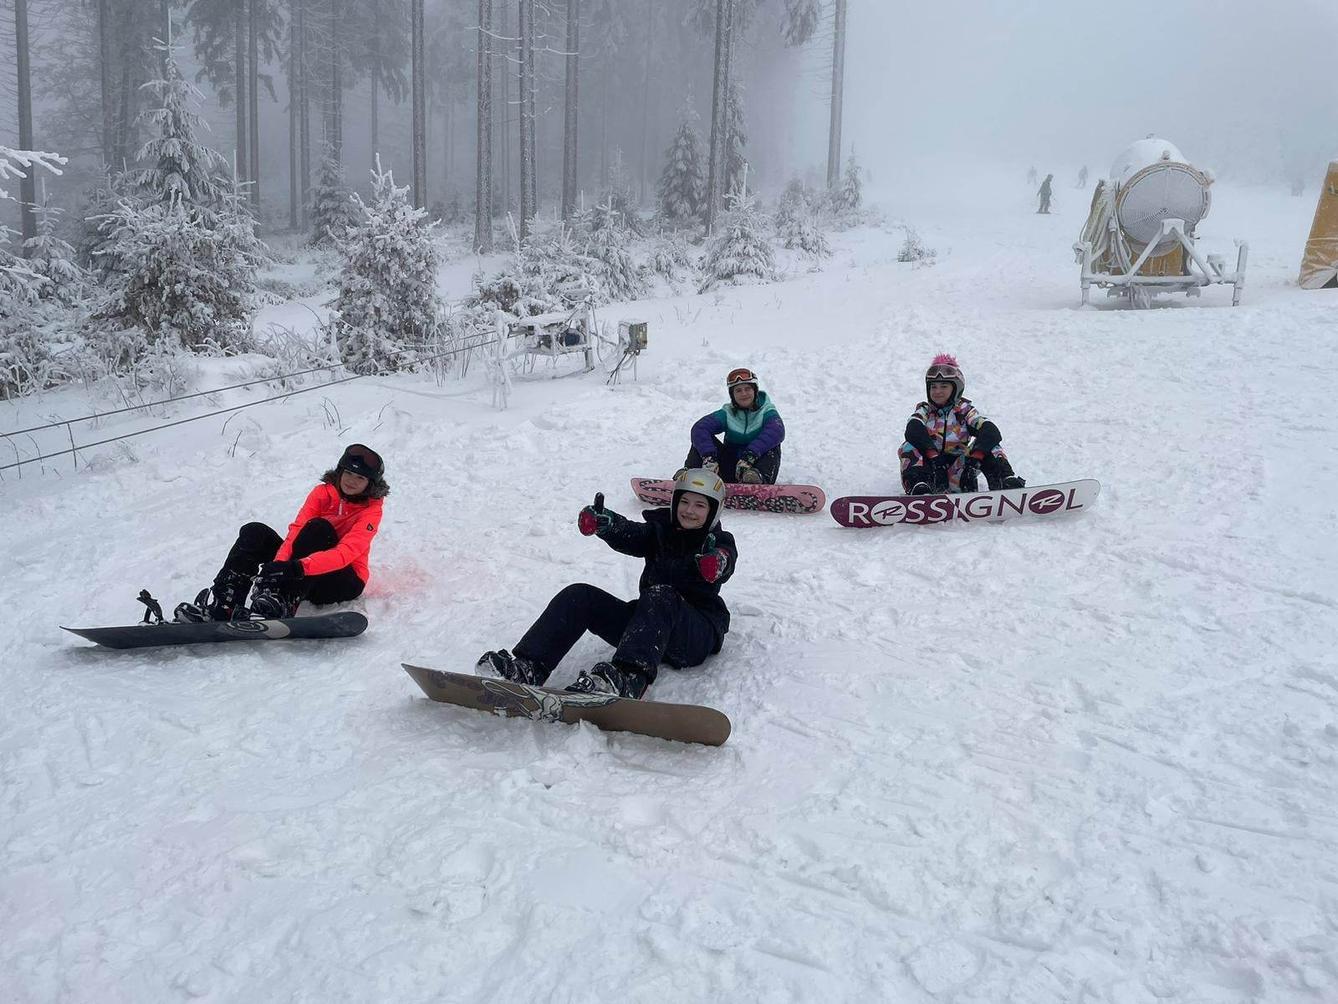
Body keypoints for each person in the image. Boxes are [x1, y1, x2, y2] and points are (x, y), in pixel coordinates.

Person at [477, 469, 739, 700]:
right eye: (684, 501)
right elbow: (633, 534)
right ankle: (528, 668)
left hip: (693, 635)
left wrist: (716, 562)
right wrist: (607, 523)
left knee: (661, 595)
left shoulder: (717, 541)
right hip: (648, 628)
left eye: (700, 505)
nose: (689, 510)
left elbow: (726, 559)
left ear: (713, 511)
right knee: (579, 595)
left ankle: (627, 678)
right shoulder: (660, 531)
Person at [175, 443, 390, 622]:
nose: (351, 481)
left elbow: (346, 553)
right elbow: (296, 531)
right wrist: (278, 566)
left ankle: (285, 601)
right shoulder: (322, 493)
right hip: (301, 572)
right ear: (340, 472)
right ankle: (225, 604)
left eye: (360, 478)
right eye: (348, 473)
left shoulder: (371, 510)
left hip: (342, 580)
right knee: (255, 531)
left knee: (319, 528)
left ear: (370, 484)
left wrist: (296, 568)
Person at [897, 354, 1026, 495]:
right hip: (931, 474)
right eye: (933, 387)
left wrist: (974, 460)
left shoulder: (965, 411)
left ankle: (1005, 484)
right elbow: (913, 428)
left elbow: (990, 430)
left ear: (955, 389)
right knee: (908, 446)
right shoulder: (925, 410)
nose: (937, 391)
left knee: (992, 445)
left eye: (944, 386)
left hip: (958, 474)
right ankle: (919, 489)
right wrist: (933, 457)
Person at [676, 367, 785, 484]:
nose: (743, 394)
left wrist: (750, 456)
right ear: (732, 395)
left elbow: (776, 430)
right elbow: (700, 428)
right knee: (701, 440)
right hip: (730, 468)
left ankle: (756, 480)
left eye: (747, 389)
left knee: (772, 444)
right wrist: (709, 457)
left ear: (755, 391)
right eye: (738, 390)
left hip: (756, 467)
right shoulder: (728, 413)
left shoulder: (766, 411)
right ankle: (689, 476)